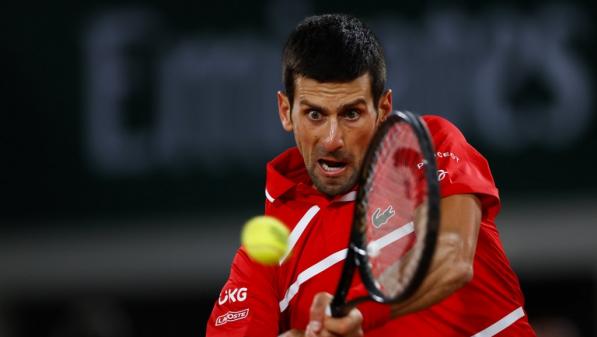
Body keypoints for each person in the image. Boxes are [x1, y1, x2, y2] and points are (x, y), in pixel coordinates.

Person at [206, 14, 536, 337]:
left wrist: (361, 311)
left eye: (351, 113)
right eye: (314, 114)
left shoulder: (425, 144)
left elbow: (451, 256)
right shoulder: (265, 258)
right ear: (285, 111)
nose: (332, 139)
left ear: (383, 109)